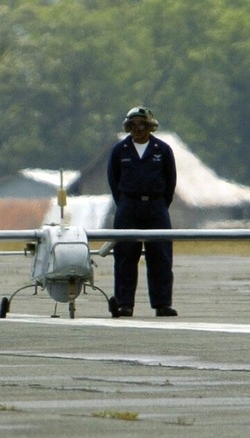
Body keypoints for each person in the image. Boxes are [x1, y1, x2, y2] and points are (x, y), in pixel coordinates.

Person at [107, 106, 178, 317]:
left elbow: (170, 181)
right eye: (133, 126)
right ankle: (124, 303)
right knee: (125, 256)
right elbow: (114, 180)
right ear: (128, 127)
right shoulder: (120, 151)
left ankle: (162, 303)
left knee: (161, 256)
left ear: (150, 127)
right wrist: (126, 202)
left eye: (142, 125)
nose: (138, 130)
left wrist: (159, 204)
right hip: (128, 206)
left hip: (156, 206)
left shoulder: (162, 150)